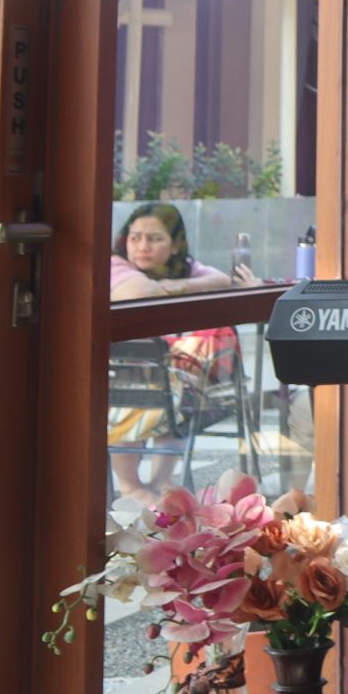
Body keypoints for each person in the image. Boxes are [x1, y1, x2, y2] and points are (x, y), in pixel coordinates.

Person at [106, 200, 257, 508]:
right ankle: (130, 486)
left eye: (154, 238)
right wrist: (176, 287)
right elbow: (139, 292)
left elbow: (221, 280)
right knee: (144, 390)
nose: (142, 246)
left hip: (175, 385)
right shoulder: (115, 265)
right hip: (124, 383)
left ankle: (161, 482)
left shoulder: (186, 267)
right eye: (135, 237)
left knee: (176, 389)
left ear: (175, 245)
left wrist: (169, 284)